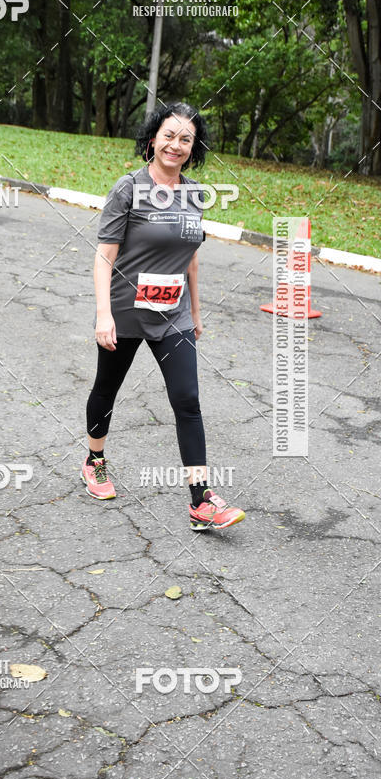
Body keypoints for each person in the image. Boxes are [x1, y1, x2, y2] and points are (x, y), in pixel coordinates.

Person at [80, 101, 245, 531]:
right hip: (126, 310)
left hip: (173, 313)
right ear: (152, 139)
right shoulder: (128, 188)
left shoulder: (194, 195)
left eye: (185, 139)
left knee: (187, 400)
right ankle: (94, 460)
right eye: (168, 136)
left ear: (194, 147)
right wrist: (103, 314)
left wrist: (195, 309)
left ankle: (201, 499)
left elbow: (189, 256)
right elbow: (104, 256)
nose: (176, 145)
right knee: (107, 388)